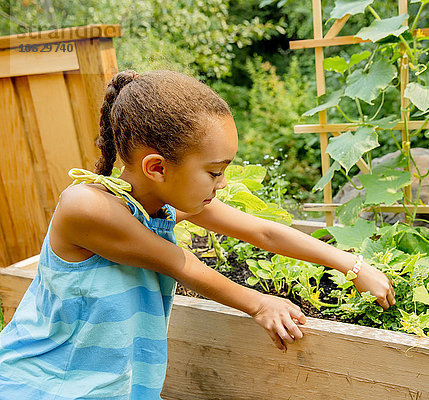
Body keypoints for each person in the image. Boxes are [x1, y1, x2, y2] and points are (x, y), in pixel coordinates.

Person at [0, 70, 395, 398]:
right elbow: (181, 263)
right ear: (156, 167)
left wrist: (350, 264)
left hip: (111, 387)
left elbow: (263, 231)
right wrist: (259, 304)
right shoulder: (88, 208)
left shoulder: (163, 205)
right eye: (214, 171)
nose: (222, 184)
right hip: (45, 382)